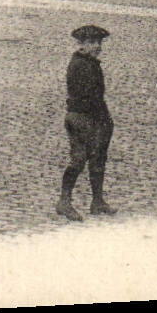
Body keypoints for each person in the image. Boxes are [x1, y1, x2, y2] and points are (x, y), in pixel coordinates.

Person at [57, 24, 116, 220]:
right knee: (79, 160)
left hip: (92, 118)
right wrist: (101, 120)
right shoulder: (80, 66)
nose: (97, 46)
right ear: (81, 45)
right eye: (92, 42)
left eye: (99, 42)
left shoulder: (89, 63)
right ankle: (64, 201)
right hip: (81, 119)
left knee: (98, 159)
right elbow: (87, 98)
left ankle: (97, 201)